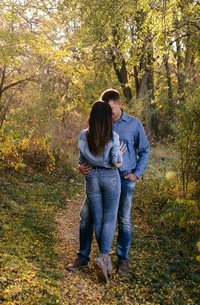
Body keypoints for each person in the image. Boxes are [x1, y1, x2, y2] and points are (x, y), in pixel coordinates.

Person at [67, 89, 150, 276]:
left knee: (124, 219)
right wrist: (81, 167)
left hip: (124, 178)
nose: (109, 114)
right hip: (100, 175)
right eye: (106, 110)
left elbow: (144, 150)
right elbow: (86, 152)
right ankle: (83, 257)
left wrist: (137, 173)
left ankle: (122, 261)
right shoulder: (99, 124)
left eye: (111, 109)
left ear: (118, 104)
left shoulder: (134, 124)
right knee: (86, 216)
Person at [77, 100, 123, 283]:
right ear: (106, 118)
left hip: (92, 178)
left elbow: (81, 161)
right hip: (110, 178)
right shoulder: (113, 136)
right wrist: (120, 153)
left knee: (98, 219)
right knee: (110, 218)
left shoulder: (83, 135)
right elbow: (116, 162)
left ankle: (104, 263)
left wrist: (81, 167)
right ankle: (104, 258)